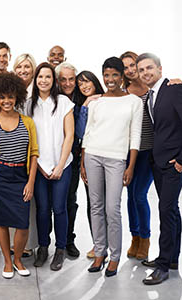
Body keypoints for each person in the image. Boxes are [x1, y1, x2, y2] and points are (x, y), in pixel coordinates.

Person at [119, 51, 182, 261]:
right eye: (126, 68)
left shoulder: (160, 89)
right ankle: (136, 237)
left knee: (141, 196)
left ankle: (147, 240)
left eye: (133, 66)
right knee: (131, 197)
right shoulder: (125, 93)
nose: (130, 71)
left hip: (152, 151)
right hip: (133, 152)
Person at [81, 57, 143, 277]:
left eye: (114, 75)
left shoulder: (134, 102)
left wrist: (130, 165)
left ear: (122, 76)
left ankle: (114, 257)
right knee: (95, 206)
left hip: (117, 159)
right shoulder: (97, 102)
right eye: (106, 75)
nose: (110, 79)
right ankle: (100, 253)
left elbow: (135, 135)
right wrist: (82, 162)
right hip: (93, 156)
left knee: (112, 209)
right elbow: (88, 133)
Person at [136, 53, 182, 285]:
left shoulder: (175, 89)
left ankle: (162, 267)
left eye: (149, 68)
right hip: (158, 162)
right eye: (141, 70)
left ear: (160, 68)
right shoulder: (150, 95)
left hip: (174, 164)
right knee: (171, 211)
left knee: (166, 211)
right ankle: (171, 259)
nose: (145, 73)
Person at [0, 72, 38, 279]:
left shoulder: (27, 122)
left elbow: (33, 154)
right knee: (1, 221)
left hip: (21, 175)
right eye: (2, 97)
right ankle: (7, 260)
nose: (7, 101)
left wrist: (30, 182)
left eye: (11, 97)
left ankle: (18, 259)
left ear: (18, 98)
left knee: (23, 223)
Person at [26, 63, 74, 271]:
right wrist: (39, 166)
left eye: (48, 77)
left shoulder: (63, 102)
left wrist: (60, 165)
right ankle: (44, 247)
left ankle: (60, 249)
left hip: (62, 165)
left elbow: (69, 135)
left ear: (53, 80)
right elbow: (29, 138)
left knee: (60, 208)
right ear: (35, 80)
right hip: (39, 167)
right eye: (40, 77)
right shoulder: (29, 104)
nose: (43, 80)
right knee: (43, 210)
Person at [73, 70, 105, 259]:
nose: (84, 86)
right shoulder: (79, 106)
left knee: (110, 205)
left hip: (109, 156)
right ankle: (98, 244)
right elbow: (80, 132)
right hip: (87, 157)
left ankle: (108, 244)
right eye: (80, 84)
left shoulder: (107, 99)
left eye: (87, 82)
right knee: (93, 203)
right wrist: (85, 106)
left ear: (95, 82)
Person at [55, 62, 81, 257]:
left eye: (71, 79)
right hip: (52, 156)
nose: (67, 83)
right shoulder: (52, 98)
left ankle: (68, 240)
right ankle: (47, 242)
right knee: (50, 204)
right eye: (63, 79)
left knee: (70, 200)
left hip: (75, 157)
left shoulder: (83, 96)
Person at [12, 53, 38, 257]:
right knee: (15, 198)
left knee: (31, 200)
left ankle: (28, 244)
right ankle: (15, 242)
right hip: (13, 152)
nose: (23, 71)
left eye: (27, 67)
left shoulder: (37, 92)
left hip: (34, 150)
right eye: (19, 67)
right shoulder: (11, 90)